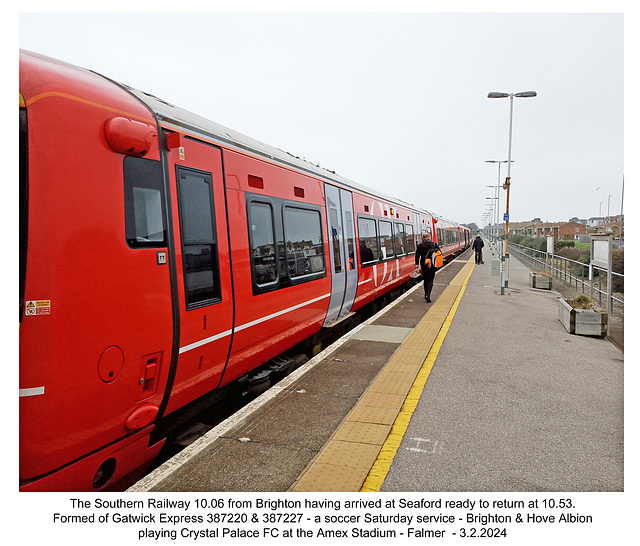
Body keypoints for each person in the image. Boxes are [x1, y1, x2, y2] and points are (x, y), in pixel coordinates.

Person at [415, 233, 440, 303]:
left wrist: (417, 265)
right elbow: (439, 253)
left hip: (424, 265)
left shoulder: (420, 246)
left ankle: (426, 293)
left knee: (425, 280)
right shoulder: (434, 244)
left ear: (423, 238)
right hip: (432, 265)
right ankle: (427, 295)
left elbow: (417, 256)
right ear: (430, 237)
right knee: (430, 280)